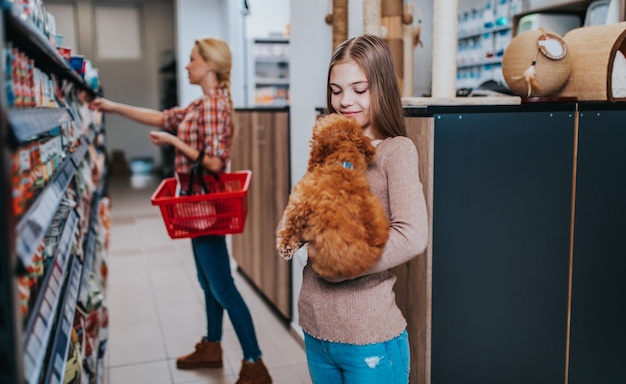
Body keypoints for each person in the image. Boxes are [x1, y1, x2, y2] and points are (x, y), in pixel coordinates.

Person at [88, 37, 272, 384]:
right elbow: (160, 117)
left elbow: (216, 163)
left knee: (223, 287)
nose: (187, 65)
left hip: (207, 207)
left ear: (210, 66)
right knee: (208, 282)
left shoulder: (215, 106)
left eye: (192, 59)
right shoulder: (200, 105)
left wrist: (173, 142)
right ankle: (213, 346)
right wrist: (111, 107)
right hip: (194, 205)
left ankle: (255, 364)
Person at [283, 34, 429, 384]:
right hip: (317, 330)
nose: (344, 101)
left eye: (358, 89)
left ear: (380, 88)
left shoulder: (397, 151)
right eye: (336, 90)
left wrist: (344, 266)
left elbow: (412, 235)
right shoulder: (330, 145)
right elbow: (307, 215)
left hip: (370, 338)